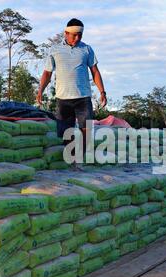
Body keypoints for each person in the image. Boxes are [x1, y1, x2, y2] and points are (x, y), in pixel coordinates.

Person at [36, 18, 107, 167]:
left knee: (86, 130)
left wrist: (102, 91)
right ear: (66, 33)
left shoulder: (87, 49)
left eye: (80, 35)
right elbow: (47, 73)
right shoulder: (55, 50)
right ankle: (74, 158)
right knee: (65, 133)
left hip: (83, 97)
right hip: (63, 98)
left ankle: (78, 158)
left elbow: (95, 71)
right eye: (74, 35)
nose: (77, 38)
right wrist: (40, 90)